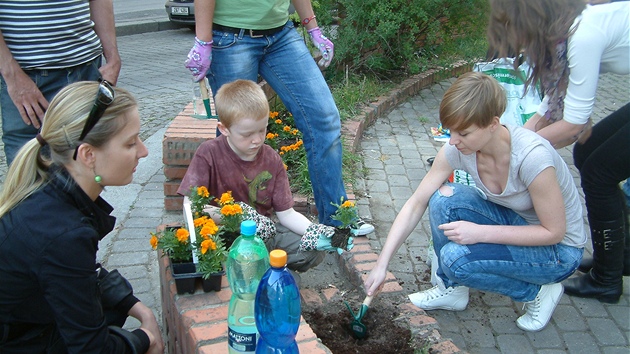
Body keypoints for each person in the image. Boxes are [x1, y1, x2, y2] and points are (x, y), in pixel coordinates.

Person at [364, 72, 586, 332]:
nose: (453, 141)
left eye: (464, 133)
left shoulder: (532, 158)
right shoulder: (458, 150)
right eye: (450, 131)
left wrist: (479, 233)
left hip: (559, 251)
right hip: (519, 223)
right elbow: (416, 203)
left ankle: (536, 292)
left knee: (456, 259)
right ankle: (452, 291)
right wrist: (381, 265)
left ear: (493, 124)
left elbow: (554, 232)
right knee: (443, 198)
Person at [183, 0, 373, 235]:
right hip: (231, 37)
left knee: (325, 119)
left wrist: (313, 28)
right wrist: (203, 40)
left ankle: (336, 221)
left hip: (281, 34)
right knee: (235, 130)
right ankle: (230, 229)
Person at [0, 82, 163, 353]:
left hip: (27, 326)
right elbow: (92, 349)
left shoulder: (50, 191)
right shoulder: (63, 233)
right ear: (88, 154)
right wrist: (145, 339)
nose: (144, 151)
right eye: (131, 142)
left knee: (111, 309)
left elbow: (81, 275)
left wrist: (137, 306)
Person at [487, 0, 629, 303]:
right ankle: (620, 258)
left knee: (599, 170)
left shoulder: (581, 36)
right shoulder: (564, 33)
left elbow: (573, 125)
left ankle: (606, 280)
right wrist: (518, 135)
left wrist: (515, 150)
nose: (522, 48)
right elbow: (553, 102)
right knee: (586, 154)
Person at [177, 79, 354, 273]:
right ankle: (258, 270)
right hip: (222, 238)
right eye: (247, 134)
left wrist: (320, 233)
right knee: (228, 263)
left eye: (262, 130)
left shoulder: (271, 158)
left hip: (265, 235)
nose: (257, 139)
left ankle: (265, 268)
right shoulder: (208, 153)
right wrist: (236, 216)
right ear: (224, 129)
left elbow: (286, 215)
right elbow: (190, 207)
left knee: (313, 249)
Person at [0, 0, 121, 166]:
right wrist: (13, 76)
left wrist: (113, 58)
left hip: (87, 69)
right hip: (27, 78)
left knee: (89, 169)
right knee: (29, 177)